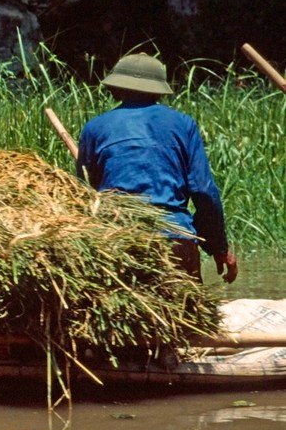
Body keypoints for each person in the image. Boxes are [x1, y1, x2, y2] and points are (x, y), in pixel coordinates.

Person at [76, 53, 237, 282]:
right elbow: (204, 192)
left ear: (116, 89)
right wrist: (218, 248)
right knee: (184, 305)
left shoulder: (94, 128)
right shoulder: (183, 124)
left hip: (115, 241)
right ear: (159, 91)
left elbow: (85, 195)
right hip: (175, 238)